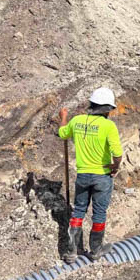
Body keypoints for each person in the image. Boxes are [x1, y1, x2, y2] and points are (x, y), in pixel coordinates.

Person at [58, 87, 123, 262]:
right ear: (107, 109)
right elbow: (117, 154)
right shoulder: (108, 126)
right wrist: (114, 167)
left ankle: (71, 251)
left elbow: (62, 133)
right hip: (102, 175)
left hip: (83, 175)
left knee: (78, 210)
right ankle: (95, 250)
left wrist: (63, 117)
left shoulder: (76, 121)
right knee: (99, 212)